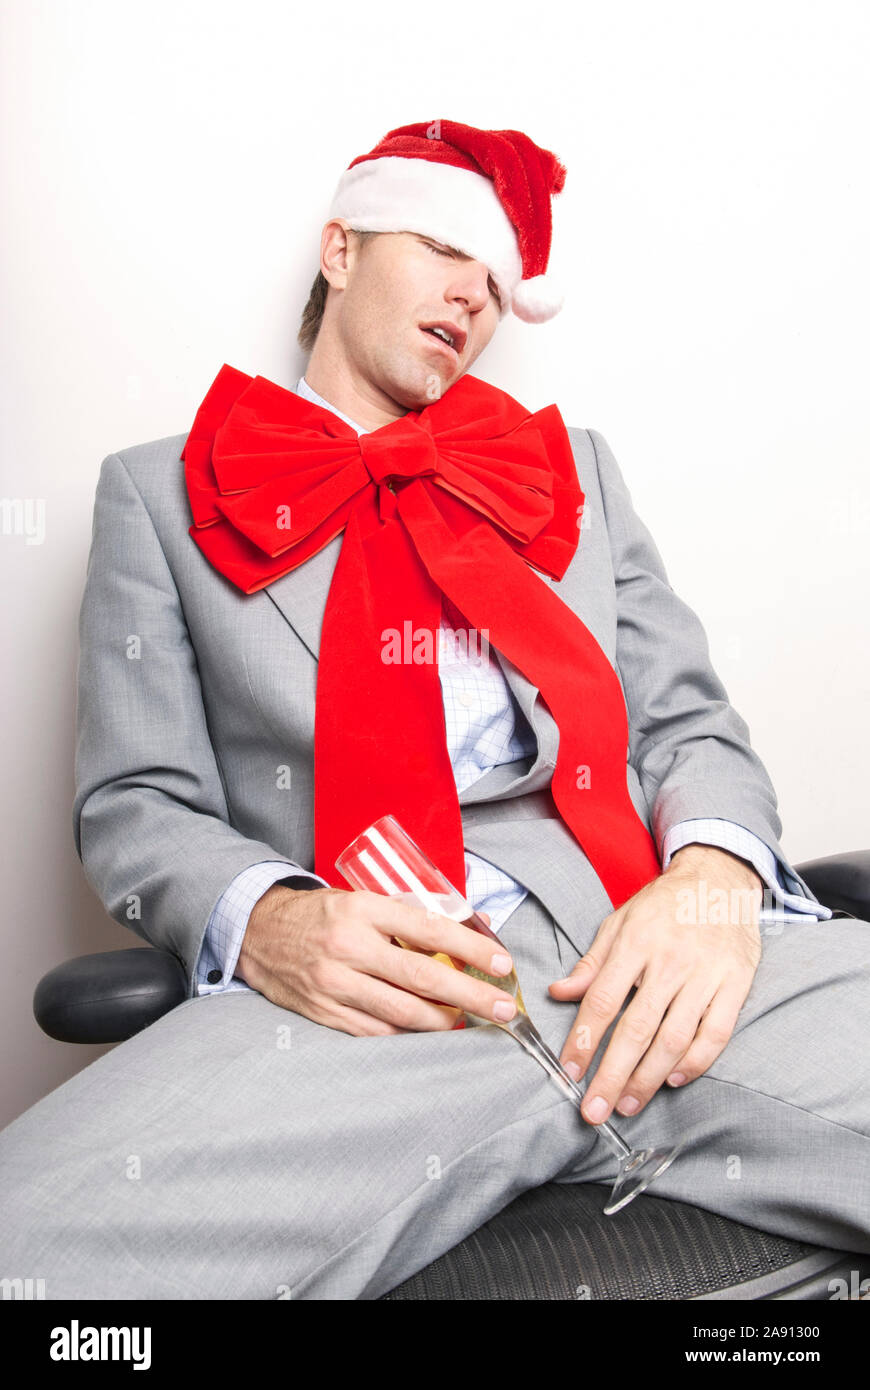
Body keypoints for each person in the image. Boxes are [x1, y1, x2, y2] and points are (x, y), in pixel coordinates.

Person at [0, 119, 867, 1300]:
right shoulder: (154, 493)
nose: (476, 293)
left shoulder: (575, 472)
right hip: (378, 995)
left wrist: (712, 879)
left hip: (648, 949)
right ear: (340, 249)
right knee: (32, 1255)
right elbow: (136, 802)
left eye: (500, 280)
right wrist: (269, 920)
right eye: (446, 246)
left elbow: (688, 726)